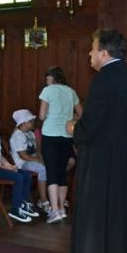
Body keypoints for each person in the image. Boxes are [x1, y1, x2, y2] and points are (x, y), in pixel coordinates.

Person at [66, 29, 127, 253]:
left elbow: (91, 124)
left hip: (101, 160)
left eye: (93, 48)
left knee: (97, 222)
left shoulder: (103, 79)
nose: (90, 53)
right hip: (123, 158)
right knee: (119, 219)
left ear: (105, 52)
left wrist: (73, 128)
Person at [0, 110, 38, 224]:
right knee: (18, 177)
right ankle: (15, 209)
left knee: (26, 175)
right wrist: (4, 168)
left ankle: (23, 203)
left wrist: (9, 165)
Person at [39, 67, 82, 223]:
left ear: (53, 78)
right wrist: (70, 119)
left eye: (47, 78)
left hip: (50, 135)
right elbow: (81, 113)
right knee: (62, 173)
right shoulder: (71, 92)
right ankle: (62, 208)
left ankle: (55, 210)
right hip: (66, 136)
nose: (46, 81)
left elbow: (42, 116)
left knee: (52, 172)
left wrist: (51, 116)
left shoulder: (48, 91)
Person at [10, 109, 50, 213]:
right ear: (23, 123)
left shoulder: (30, 134)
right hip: (22, 163)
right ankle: (44, 201)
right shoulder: (17, 135)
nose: (33, 122)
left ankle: (44, 197)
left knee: (50, 165)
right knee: (42, 169)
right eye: (30, 121)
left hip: (31, 159)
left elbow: (37, 150)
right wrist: (38, 160)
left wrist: (40, 157)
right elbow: (23, 155)